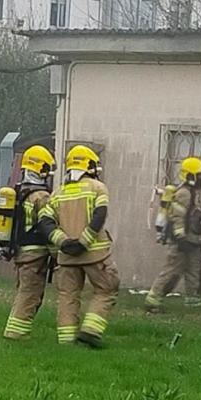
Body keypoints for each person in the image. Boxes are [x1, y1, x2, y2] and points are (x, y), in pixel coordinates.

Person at [37, 145, 119, 348]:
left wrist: (63, 242)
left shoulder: (57, 193)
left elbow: (45, 222)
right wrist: (84, 241)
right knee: (106, 289)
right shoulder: (98, 188)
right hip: (94, 255)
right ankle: (91, 331)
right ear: (89, 165)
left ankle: (66, 341)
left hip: (66, 257)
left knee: (67, 296)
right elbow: (99, 216)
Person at [144, 156, 201, 312]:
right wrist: (180, 237)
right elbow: (178, 217)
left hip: (193, 240)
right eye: (200, 175)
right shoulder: (184, 193)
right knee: (172, 271)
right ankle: (153, 300)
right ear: (190, 176)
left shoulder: (196, 193)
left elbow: (197, 217)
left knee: (194, 271)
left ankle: (192, 302)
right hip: (181, 242)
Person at [2, 145, 56, 340]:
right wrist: (58, 253)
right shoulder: (41, 197)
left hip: (21, 252)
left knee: (24, 291)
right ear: (41, 170)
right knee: (30, 293)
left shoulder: (20, 191)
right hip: (35, 254)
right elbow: (46, 227)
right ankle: (15, 333)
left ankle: (17, 330)